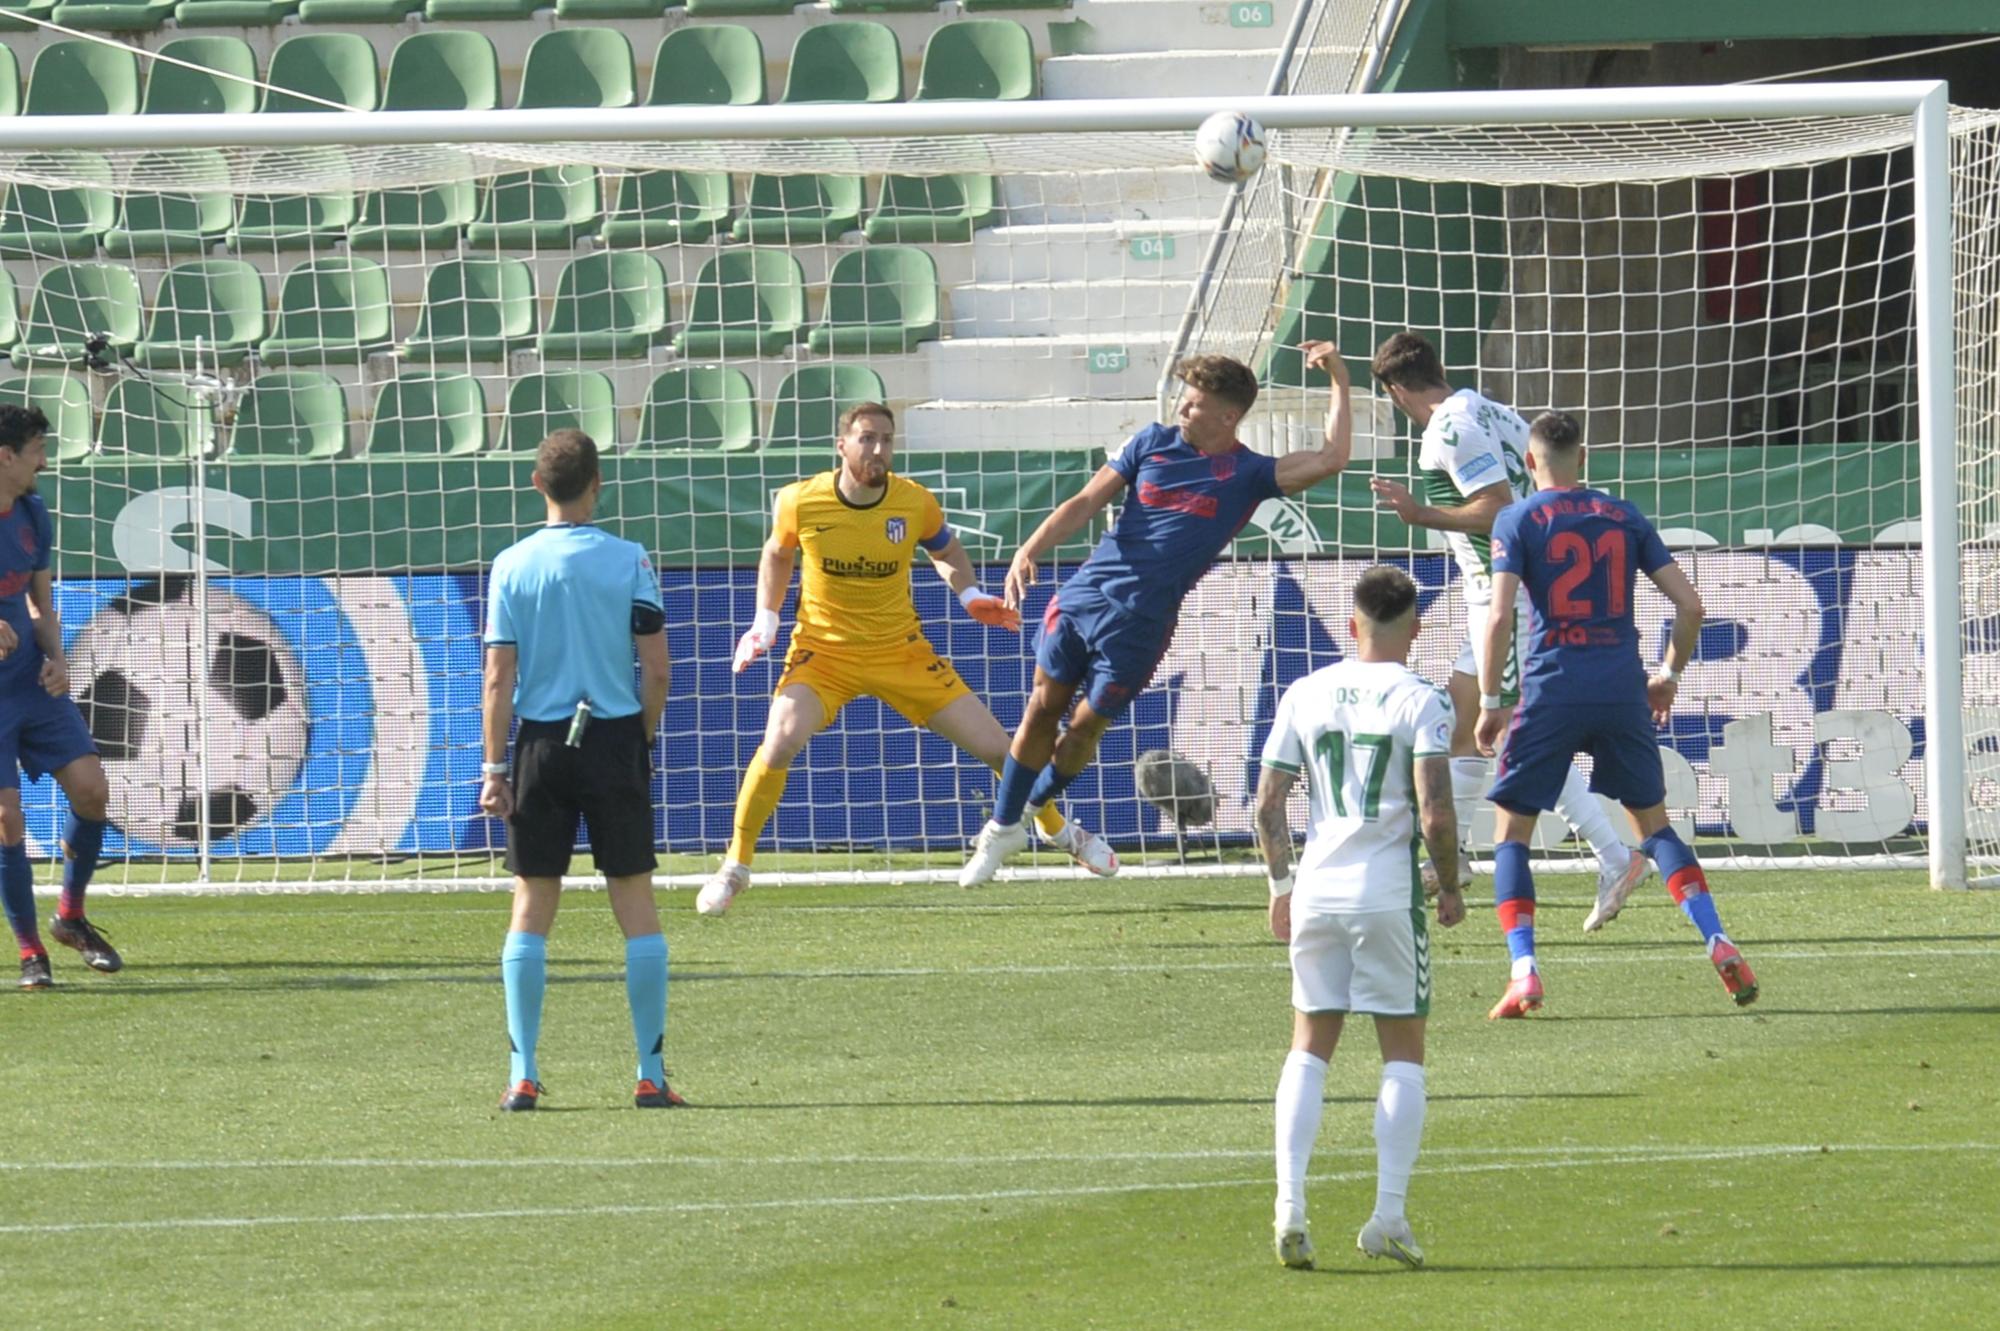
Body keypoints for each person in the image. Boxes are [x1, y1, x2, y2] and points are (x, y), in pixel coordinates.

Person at [958, 347, 1354, 886]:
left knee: (1083, 731)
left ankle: (1026, 812)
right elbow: (1085, 501)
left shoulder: (1249, 474)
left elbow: (1332, 458)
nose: (1183, 412)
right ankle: (1004, 826)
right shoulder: (1150, 443)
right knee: (1041, 709)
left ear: (1227, 416)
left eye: (1193, 404)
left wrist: (1339, 380)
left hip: (1142, 627)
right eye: (1184, 401)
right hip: (1086, 600)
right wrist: (1031, 547)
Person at [703, 402, 1115, 915]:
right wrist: (765, 621)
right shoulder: (800, 501)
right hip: (824, 655)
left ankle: (1061, 833)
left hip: (902, 653)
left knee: (999, 748)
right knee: (780, 741)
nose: (878, 450)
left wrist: (969, 597)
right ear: (842, 446)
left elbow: (945, 551)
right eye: (867, 439)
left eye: (887, 440)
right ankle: (734, 868)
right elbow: (777, 552)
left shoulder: (913, 502)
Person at [1475, 410, 1758, 1016]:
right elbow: (1690, 606)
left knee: (1512, 833)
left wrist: (1494, 703)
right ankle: (1718, 938)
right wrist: (1668, 676)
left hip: (1552, 687)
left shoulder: (1516, 518)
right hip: (1621, 686)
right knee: (1653, 830)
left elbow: (1499, 619)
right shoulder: (1624, 515)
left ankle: (1524, 970)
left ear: (1529, 462)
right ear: (1585, 458)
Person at [1366, 331, 1650, 922]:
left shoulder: (1449, 427)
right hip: (1502, 592)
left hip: (1508, 596)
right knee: (1464, 721)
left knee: (1522, 735)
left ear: (1395, 391)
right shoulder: (1493, 410)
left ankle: (1615, 853)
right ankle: (1454, 855)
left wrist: (1421, 514)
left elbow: (1499, 506)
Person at [1256, 565, 1465, 1272]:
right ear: (1415, 628)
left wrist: (1281, 883)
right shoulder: (1423, 698)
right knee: (1402, 1052)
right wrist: (1451, 883)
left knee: (1308, 1047)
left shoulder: (1304, 690)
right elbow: (1434, 806)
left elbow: (1266, 804)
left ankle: (1290, 1204)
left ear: (1352, 624)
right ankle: (1389, 1215)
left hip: (1316, 889)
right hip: (1384, 893)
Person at [479, 429, 678, 1110]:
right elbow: (657, 667)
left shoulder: (511, 565)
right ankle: (650, 1074)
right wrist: (641, 738)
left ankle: (523, 1075)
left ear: (537, 485)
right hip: (613, 736)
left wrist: (494, 766)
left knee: (531, 907)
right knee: (636, 905)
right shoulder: (629, 560)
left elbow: (497, 679)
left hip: (538, 745)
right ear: (598, 483)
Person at [0, 405, 115, 990]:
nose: (45, 460)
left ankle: (71, 916)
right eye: (38, 448)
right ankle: (29, 951)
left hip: (28, 681)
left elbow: (41, 605)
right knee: (6, 821)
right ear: (6, 455)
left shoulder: (32, 515)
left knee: (93, 789)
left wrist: (59, 659)